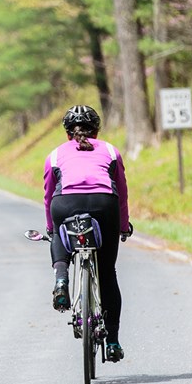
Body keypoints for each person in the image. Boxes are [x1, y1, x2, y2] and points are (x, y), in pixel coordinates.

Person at [42, 105, 133, 362]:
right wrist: (123, 226)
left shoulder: (56, 155)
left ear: (68, 133)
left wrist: (51, 227)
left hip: (65, 203)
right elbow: (122, 193)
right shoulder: (110, 151)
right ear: (97, 130)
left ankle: (61, 278)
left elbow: (49, 195)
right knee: (107, 273)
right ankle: (113, 341)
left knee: (59, 234)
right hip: (105, 204)